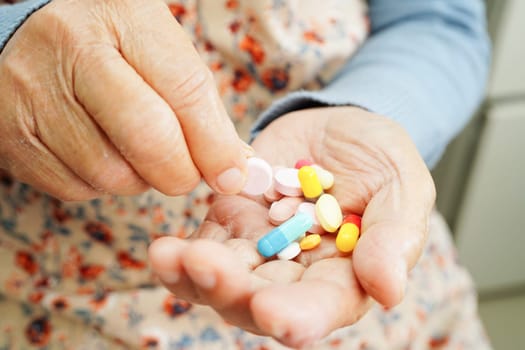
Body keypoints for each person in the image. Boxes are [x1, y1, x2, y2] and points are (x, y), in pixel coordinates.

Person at [0, 0, 491, 349]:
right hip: (71, 308)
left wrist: (371, 111)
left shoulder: (324, 214)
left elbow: (439, 23)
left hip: (386, 296)